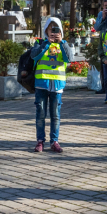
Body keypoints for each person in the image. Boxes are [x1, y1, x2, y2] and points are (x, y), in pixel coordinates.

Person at [32, 17, 71, 153]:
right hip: (42, 84)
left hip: (57, 85)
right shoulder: (40, 43)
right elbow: (34, 56)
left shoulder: (63, 44)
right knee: (40, 114)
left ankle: (54, 141)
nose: (53, 32)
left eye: (56, 29)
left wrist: (61, 43)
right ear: (46, 30)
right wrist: (46, 44)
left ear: (60, 31)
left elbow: (69, 58)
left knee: (55, 115)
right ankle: (40, 141)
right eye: (51, 29)